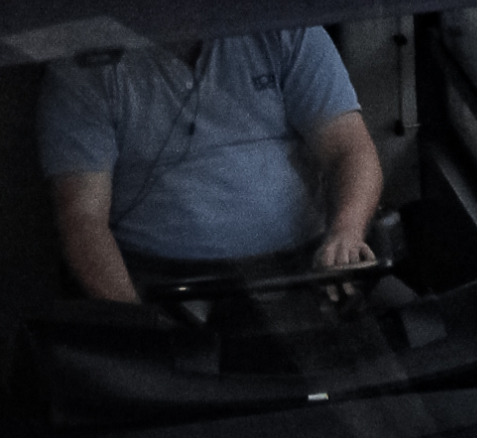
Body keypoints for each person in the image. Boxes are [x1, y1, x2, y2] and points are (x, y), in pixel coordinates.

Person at [37, 27, 382, 303]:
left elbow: (350, 150)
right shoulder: (86, 65)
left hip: (307, 271)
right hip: (164, 287)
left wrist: (346, 233)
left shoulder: (284, 28)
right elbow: (82, 219)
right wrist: (139, 324)